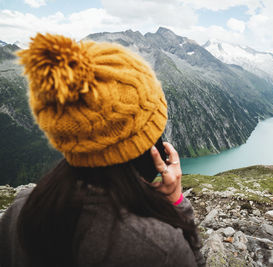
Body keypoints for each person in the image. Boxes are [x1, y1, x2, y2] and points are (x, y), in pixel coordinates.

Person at [0, 33, 205, 267]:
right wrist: (177, 203)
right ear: (145, 149)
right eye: (155, 132)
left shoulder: (20, 211)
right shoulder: (158, 247)